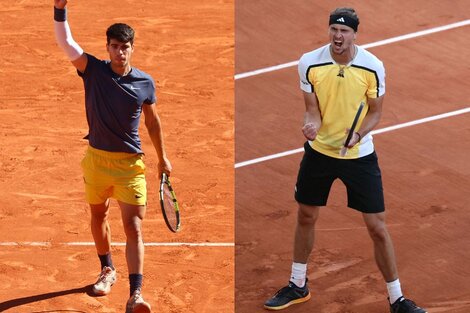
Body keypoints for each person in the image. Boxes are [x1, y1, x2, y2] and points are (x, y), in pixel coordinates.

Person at [264, 7, 427, 313]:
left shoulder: (373, 66)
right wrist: (310, 125)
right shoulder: (309, 63)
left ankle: (397, 298)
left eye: (344, 31)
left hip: (359, 155)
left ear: (354, 34)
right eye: (334, 30)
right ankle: (297, 284)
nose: (338, 36)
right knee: (306, 215)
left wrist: (359, 134)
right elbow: (311, 108)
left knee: (377, 226)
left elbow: (375, 111)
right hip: (320, 153)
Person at [53, 1, 172, 312]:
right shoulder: (93, 70)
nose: (120, 52)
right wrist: (59, 8)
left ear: (132, 49)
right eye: (115, 46)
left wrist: (162, 158)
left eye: (126, 47)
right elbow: (66, 42)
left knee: (133, 226)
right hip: (96, 161)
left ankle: (136, 295)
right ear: (107, 47)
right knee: (98, 216)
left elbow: (152, 121)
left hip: (129, 166)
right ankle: (107, 270)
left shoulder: (145, 82)